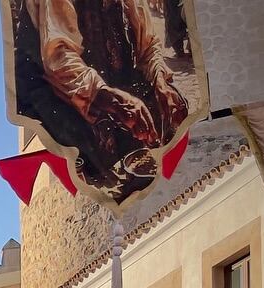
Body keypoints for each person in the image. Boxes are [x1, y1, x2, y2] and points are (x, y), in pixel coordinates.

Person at [15, 0, 189, 191]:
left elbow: (148, 45)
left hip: (108, 82)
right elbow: (59, 56)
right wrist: (111, 98)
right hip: (56, 90)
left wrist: (160, 82)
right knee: (93, 164)